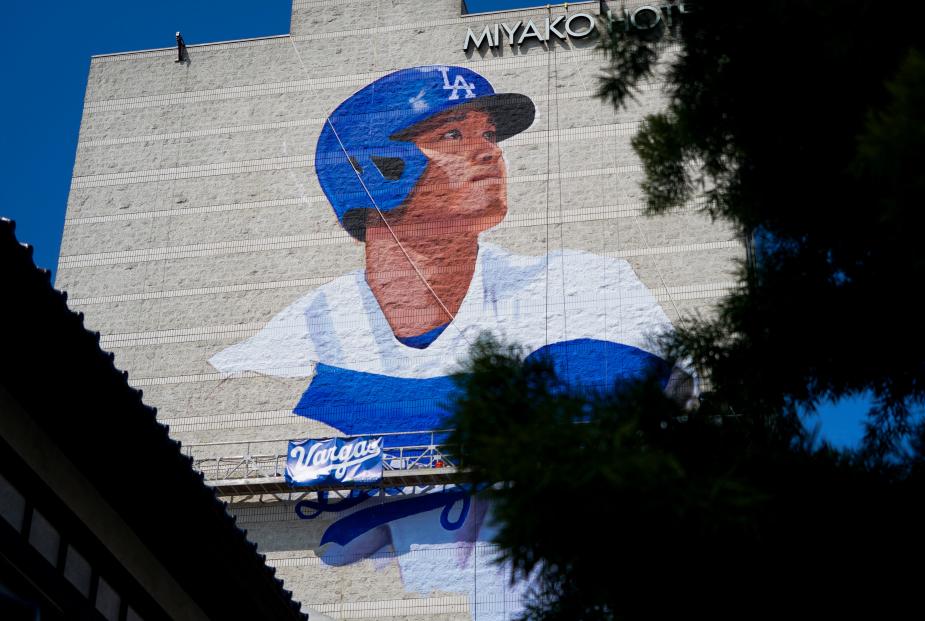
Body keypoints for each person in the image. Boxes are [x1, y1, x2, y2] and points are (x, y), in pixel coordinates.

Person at [210, 65, 692, 619]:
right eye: (452, 136)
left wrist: (342, 408)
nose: (489, 152)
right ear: (375, 168)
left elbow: (617, 387)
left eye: (489, 134)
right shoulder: (296, 333)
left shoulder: (581, 280)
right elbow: (240, 405)